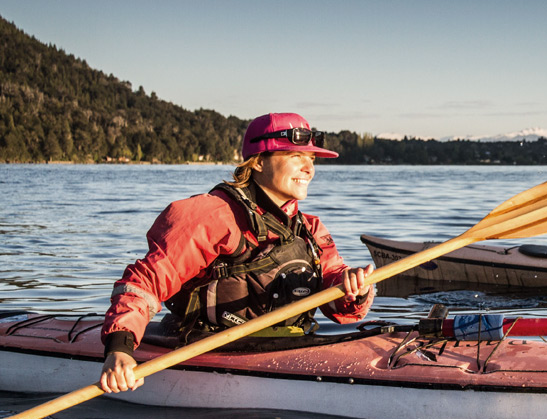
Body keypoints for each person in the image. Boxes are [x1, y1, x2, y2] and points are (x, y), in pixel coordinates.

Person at [99, 113, 374, 393]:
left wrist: (353, 289)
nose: (309, 169)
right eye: (295, 156)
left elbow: (338, 300)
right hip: (210, 351)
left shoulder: (310, 229)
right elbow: (145, 281)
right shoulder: (213, 216)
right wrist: (120, 347)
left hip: (290, 348)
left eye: (312, 159)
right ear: (257, 161)